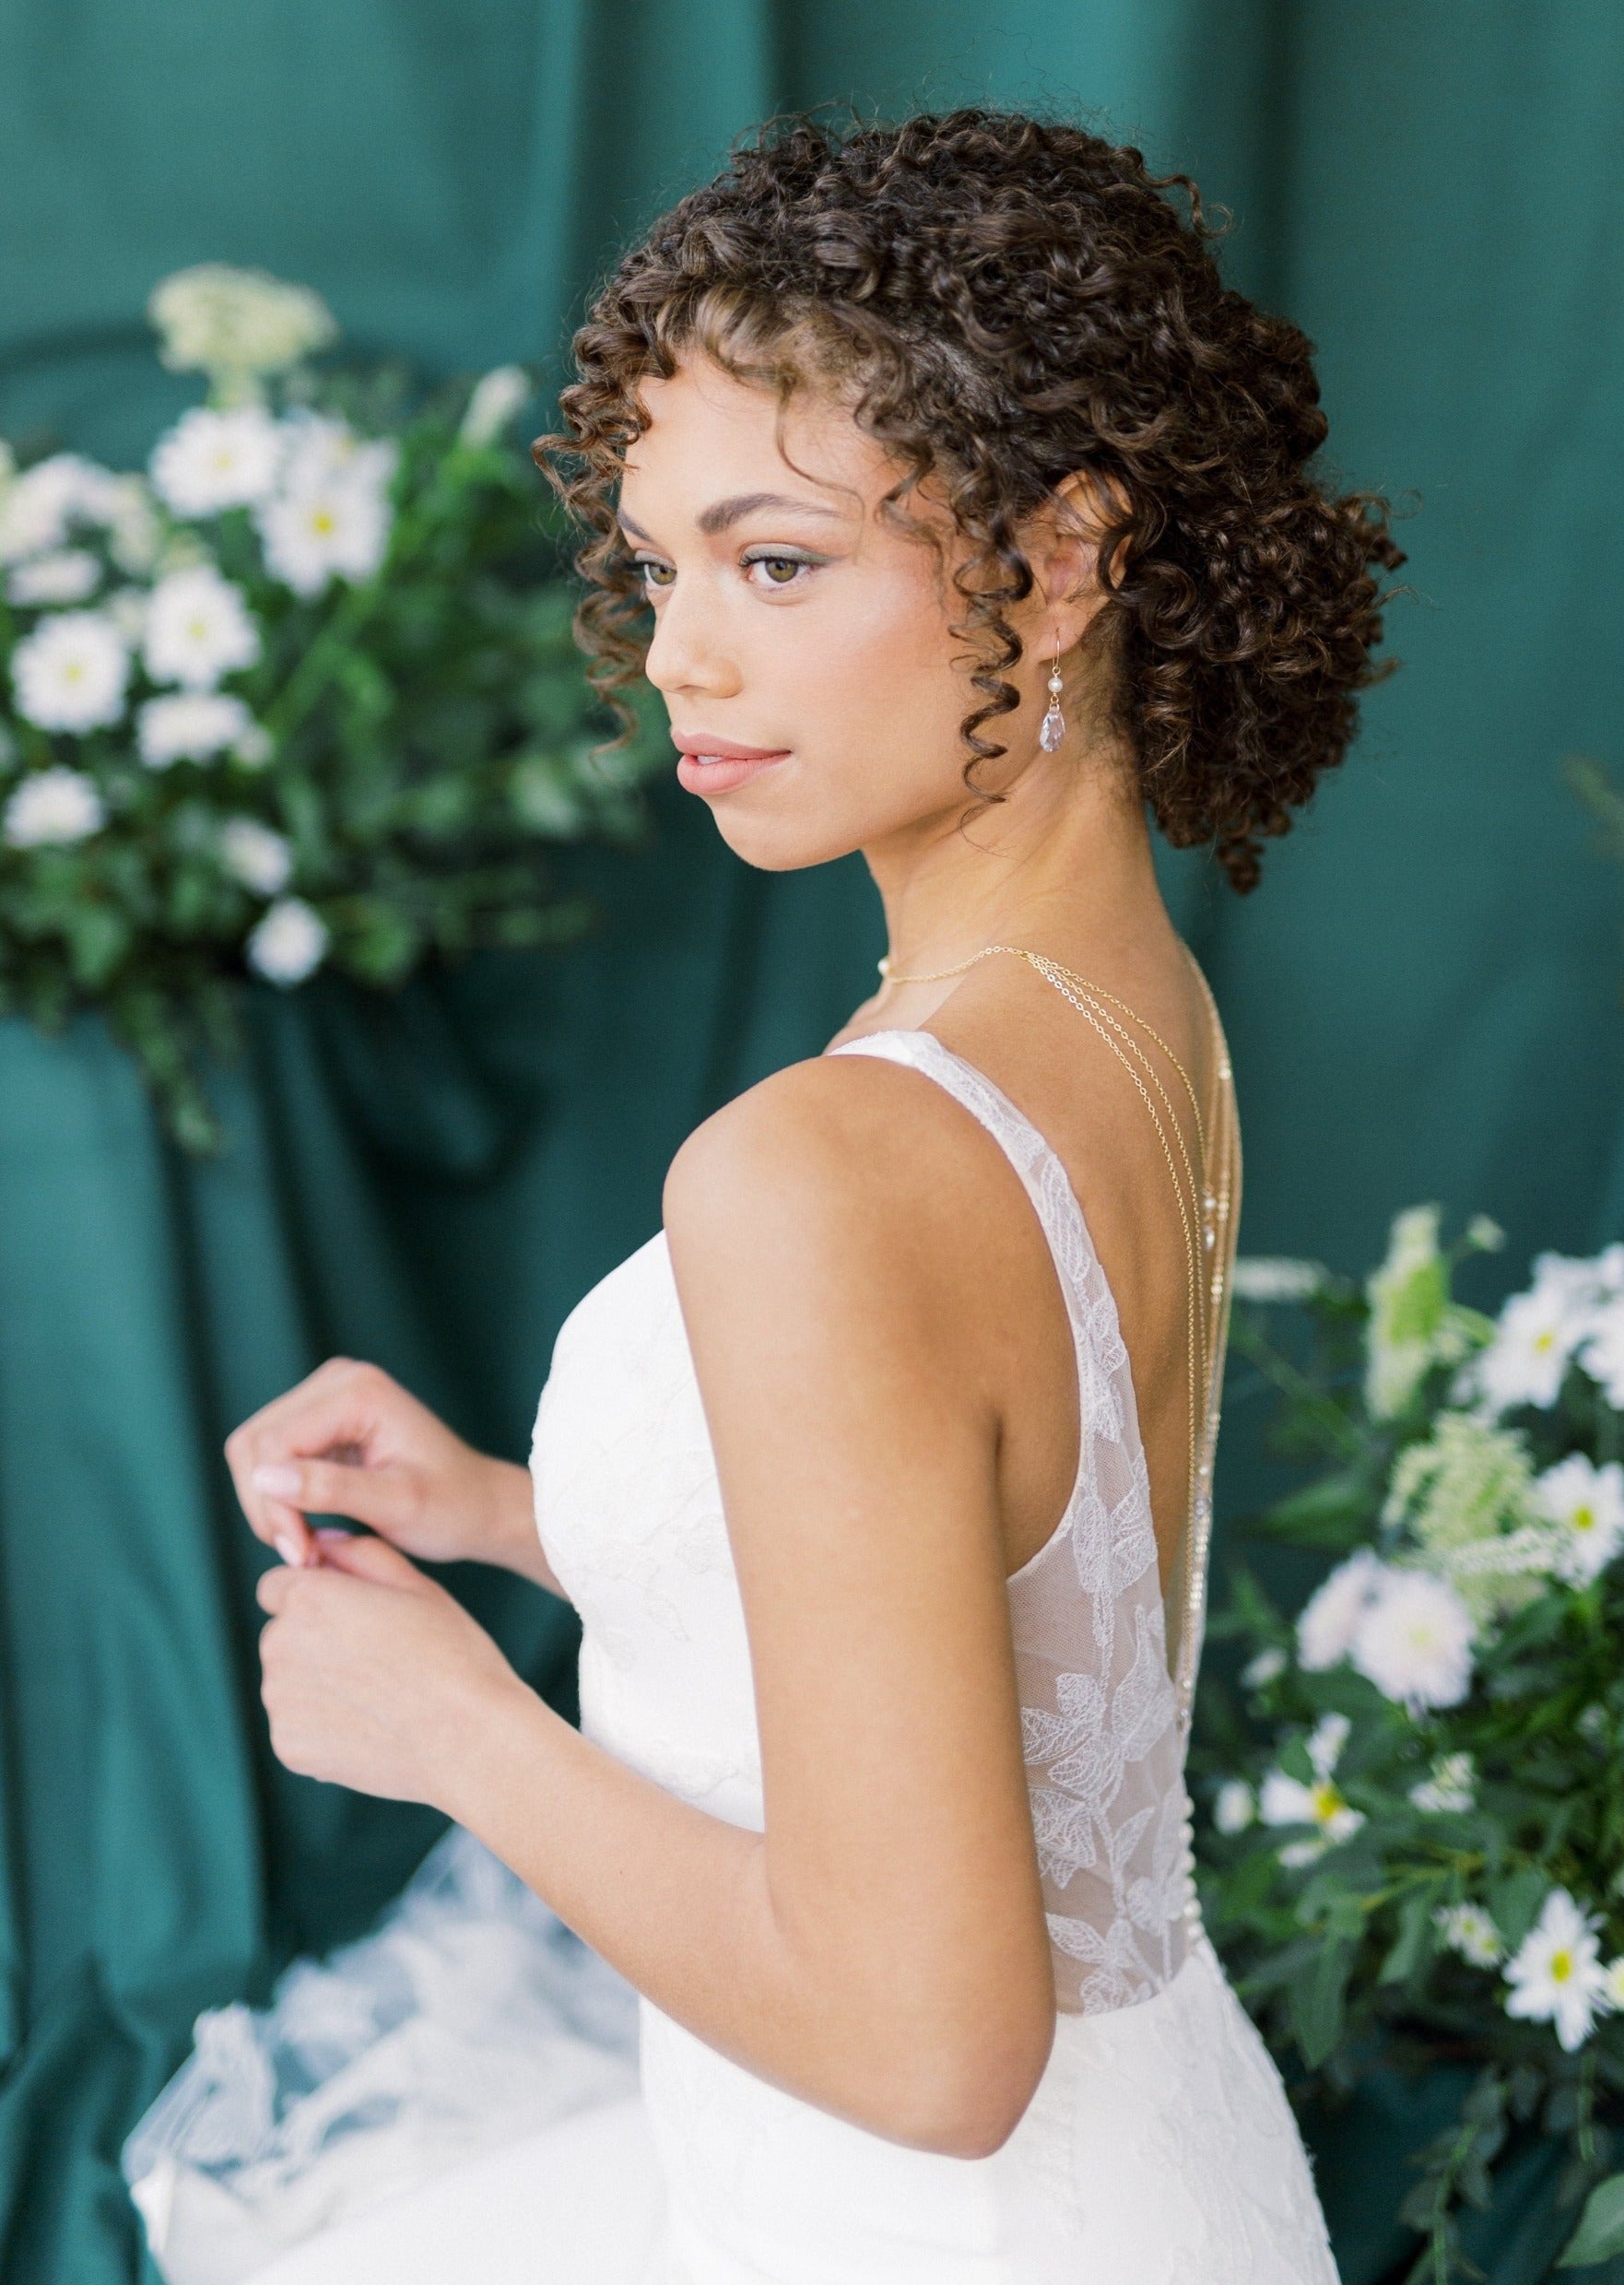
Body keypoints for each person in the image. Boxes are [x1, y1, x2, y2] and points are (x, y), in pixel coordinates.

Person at [190, 108, 1400, 2283]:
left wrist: (456, 1726)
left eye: (773, 562)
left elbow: (933, 2044)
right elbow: (993, 1599)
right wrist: (511, 1510)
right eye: (660, 569)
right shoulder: (1127, 1022)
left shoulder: (824, 1162)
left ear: (1054, 562)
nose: (675, 656)